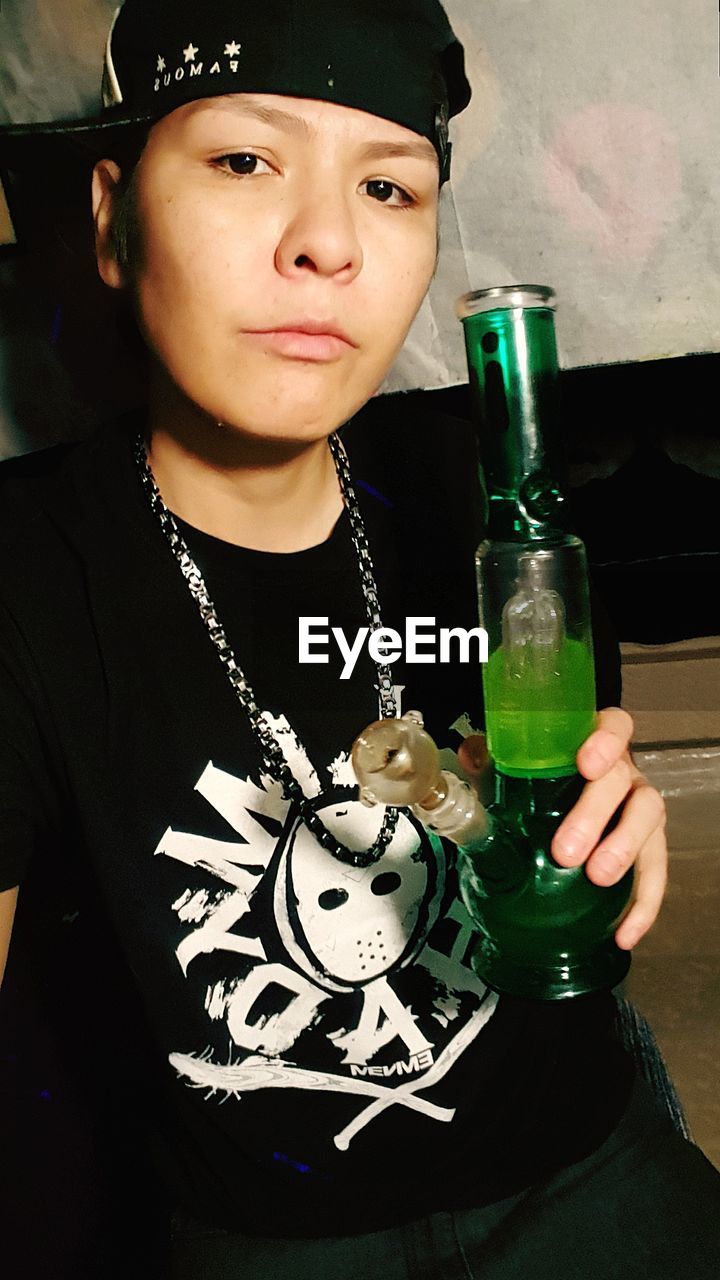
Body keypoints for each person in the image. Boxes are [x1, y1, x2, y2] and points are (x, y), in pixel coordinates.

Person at [0, 2, 718, 1277]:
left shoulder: (487, 491)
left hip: (584, 1158)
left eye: (390, 186)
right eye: (242, 160)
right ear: (113, 215)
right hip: (268, 1229)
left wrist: (587, 826)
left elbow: (537, 806)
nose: (328, 241)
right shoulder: (31, 568)